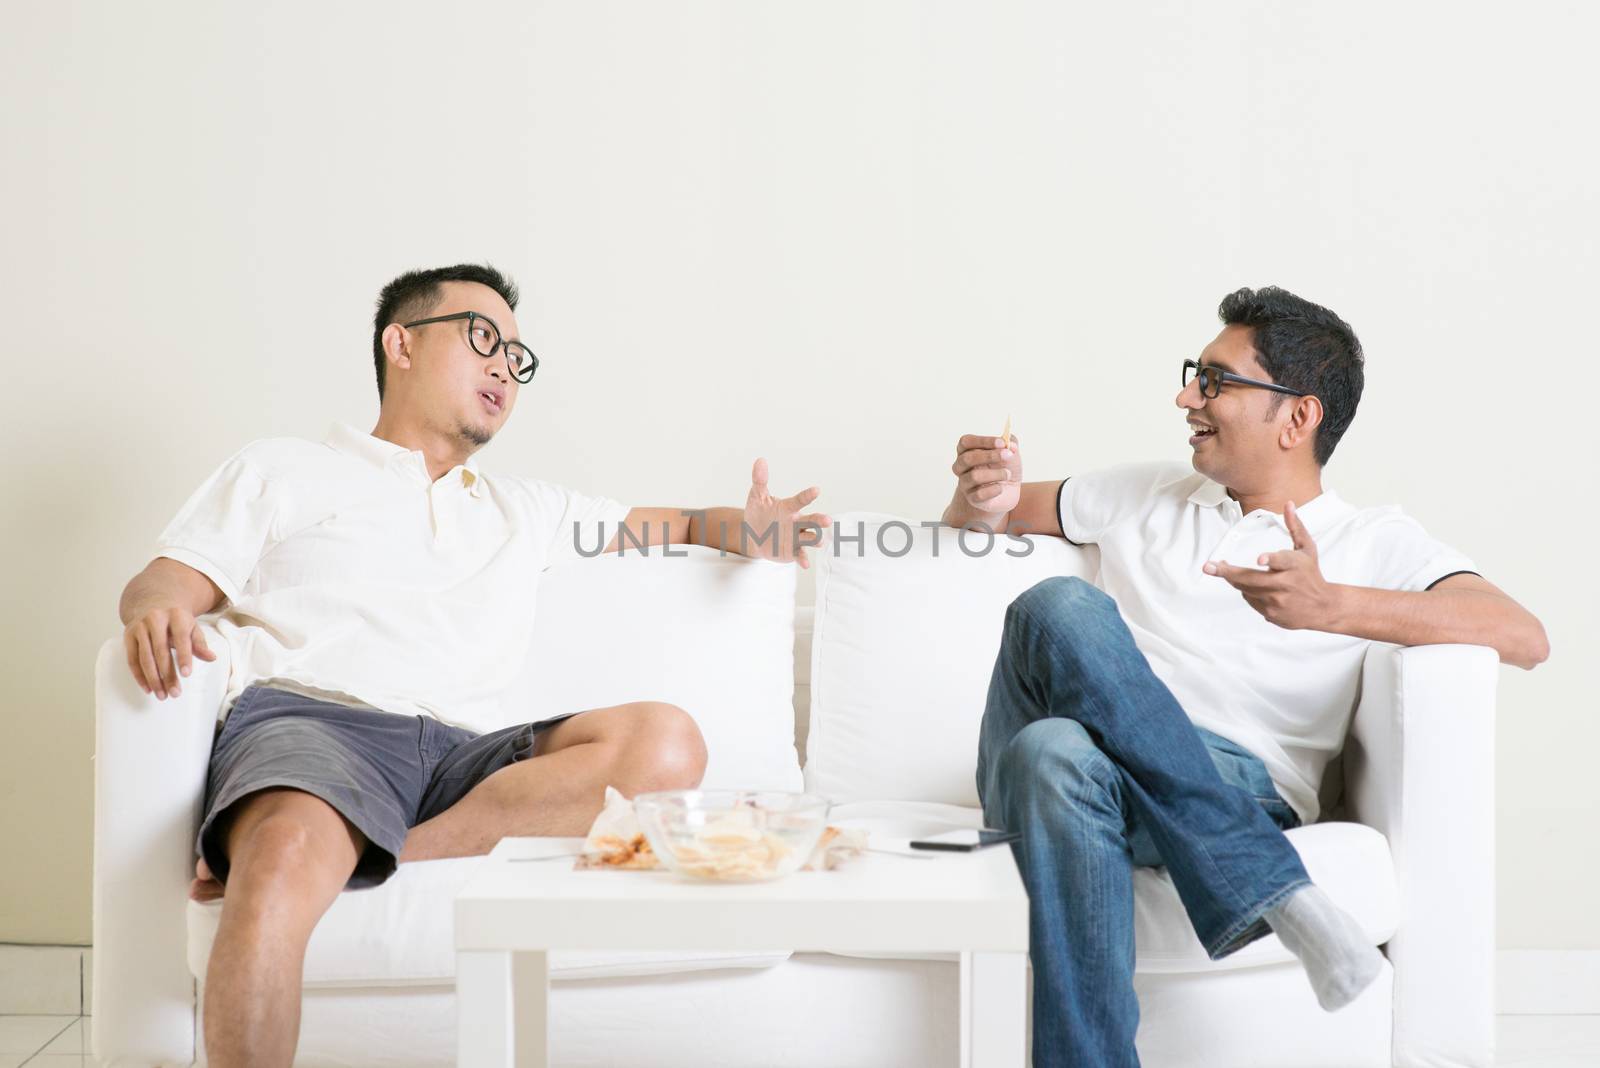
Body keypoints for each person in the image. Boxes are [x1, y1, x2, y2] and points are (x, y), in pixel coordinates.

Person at [117, 263, 830, 1068]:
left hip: (466, 758)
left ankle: (373, 849)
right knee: (282, 851)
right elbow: (170, 578)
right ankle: (300, 850)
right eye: (482, 338)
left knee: (666, 744)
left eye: (518, 358)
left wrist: (753, 530)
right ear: (401, 344)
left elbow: (684, 522)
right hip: (316, 727)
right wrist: (155, 611)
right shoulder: (282, 468)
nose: (504, 368)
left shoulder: (524, 508)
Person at [942, 285, 1547, 1068]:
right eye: (1197, 372)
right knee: (1056, 604)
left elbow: (1522, 636)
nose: (1187, 396)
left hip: (1234, 786)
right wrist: (977, 497)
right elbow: (988, 519)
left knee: (1052, 748)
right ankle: (1272, 888)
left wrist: (1330, 605)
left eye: (1217, 381)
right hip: (1127, 803)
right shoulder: (1144, 490)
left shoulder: (1372, 540)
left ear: (1298, 417)